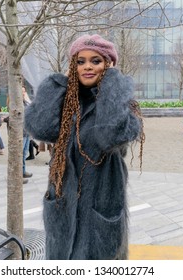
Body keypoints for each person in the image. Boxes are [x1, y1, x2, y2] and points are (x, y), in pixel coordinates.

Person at [25, 34, 144, 260]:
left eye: (96, 61)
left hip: (100, 207)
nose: (87, 66)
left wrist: (113, 84)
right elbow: (40, 129)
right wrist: (59, 83)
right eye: (80, 61)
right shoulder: (66, 102)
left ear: (108, 66)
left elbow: (109, 136)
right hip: (62, 203)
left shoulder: (122, 106)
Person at [22, 86, 33, 182]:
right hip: (21, 133)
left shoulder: (25, 101)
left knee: (24, 153)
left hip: (26, 131)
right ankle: (18, 174)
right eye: (22, 92)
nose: (23, 93)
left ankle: (23, 171)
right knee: (20, 154)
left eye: (24, 91)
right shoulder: (17, 103)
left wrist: (27, 99)